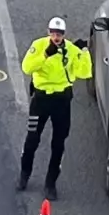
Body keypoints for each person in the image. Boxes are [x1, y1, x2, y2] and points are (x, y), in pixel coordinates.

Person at [17, 18, 92, 201]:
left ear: (64, 35)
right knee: (32, 140)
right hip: (41, 99)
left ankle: (50, 183)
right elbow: (27, 67)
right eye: (53, 33)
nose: (56, 37)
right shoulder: (39, 45)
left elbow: (85, 73)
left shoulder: (71, 50)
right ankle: (24, 175)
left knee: (58, 144)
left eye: (59, 34)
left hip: (61, 100)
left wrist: (83, 52)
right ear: (48, 32)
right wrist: (45, 56)